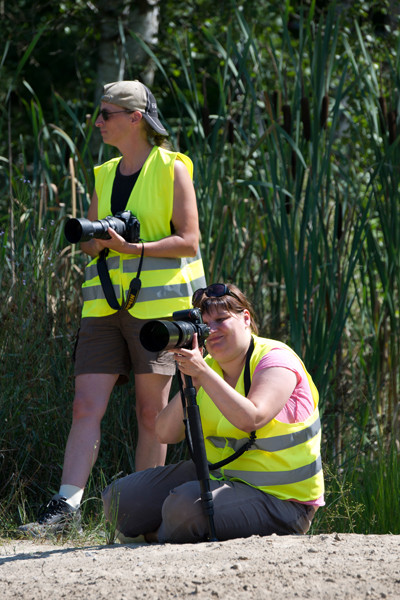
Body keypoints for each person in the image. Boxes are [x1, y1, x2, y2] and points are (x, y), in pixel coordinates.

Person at [19, 80, 206, 536]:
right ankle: (64, 509)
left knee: (150, 414)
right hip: (103, 307)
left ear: (135, 118)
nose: (98, 121)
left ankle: (141, 517)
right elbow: (93, 248)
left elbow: (190, 240)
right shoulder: (104, 173)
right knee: (85, 405)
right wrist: (97, 242)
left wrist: (130, 245)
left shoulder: (173, 169)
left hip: (159, 314)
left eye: (106, 114)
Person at [102, 283, 324, 544]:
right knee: (119, 499)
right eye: (206, 325)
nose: (213, 330)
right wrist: (191, 381)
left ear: (246, 319)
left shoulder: (276, 361)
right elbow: (164, 433)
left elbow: (251, 418)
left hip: (282, 501)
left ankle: (154, 535)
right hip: (221, 478)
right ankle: (169, 530)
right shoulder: (207, 367)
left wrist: (203, 374)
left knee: (182, 508)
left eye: (221, 320)